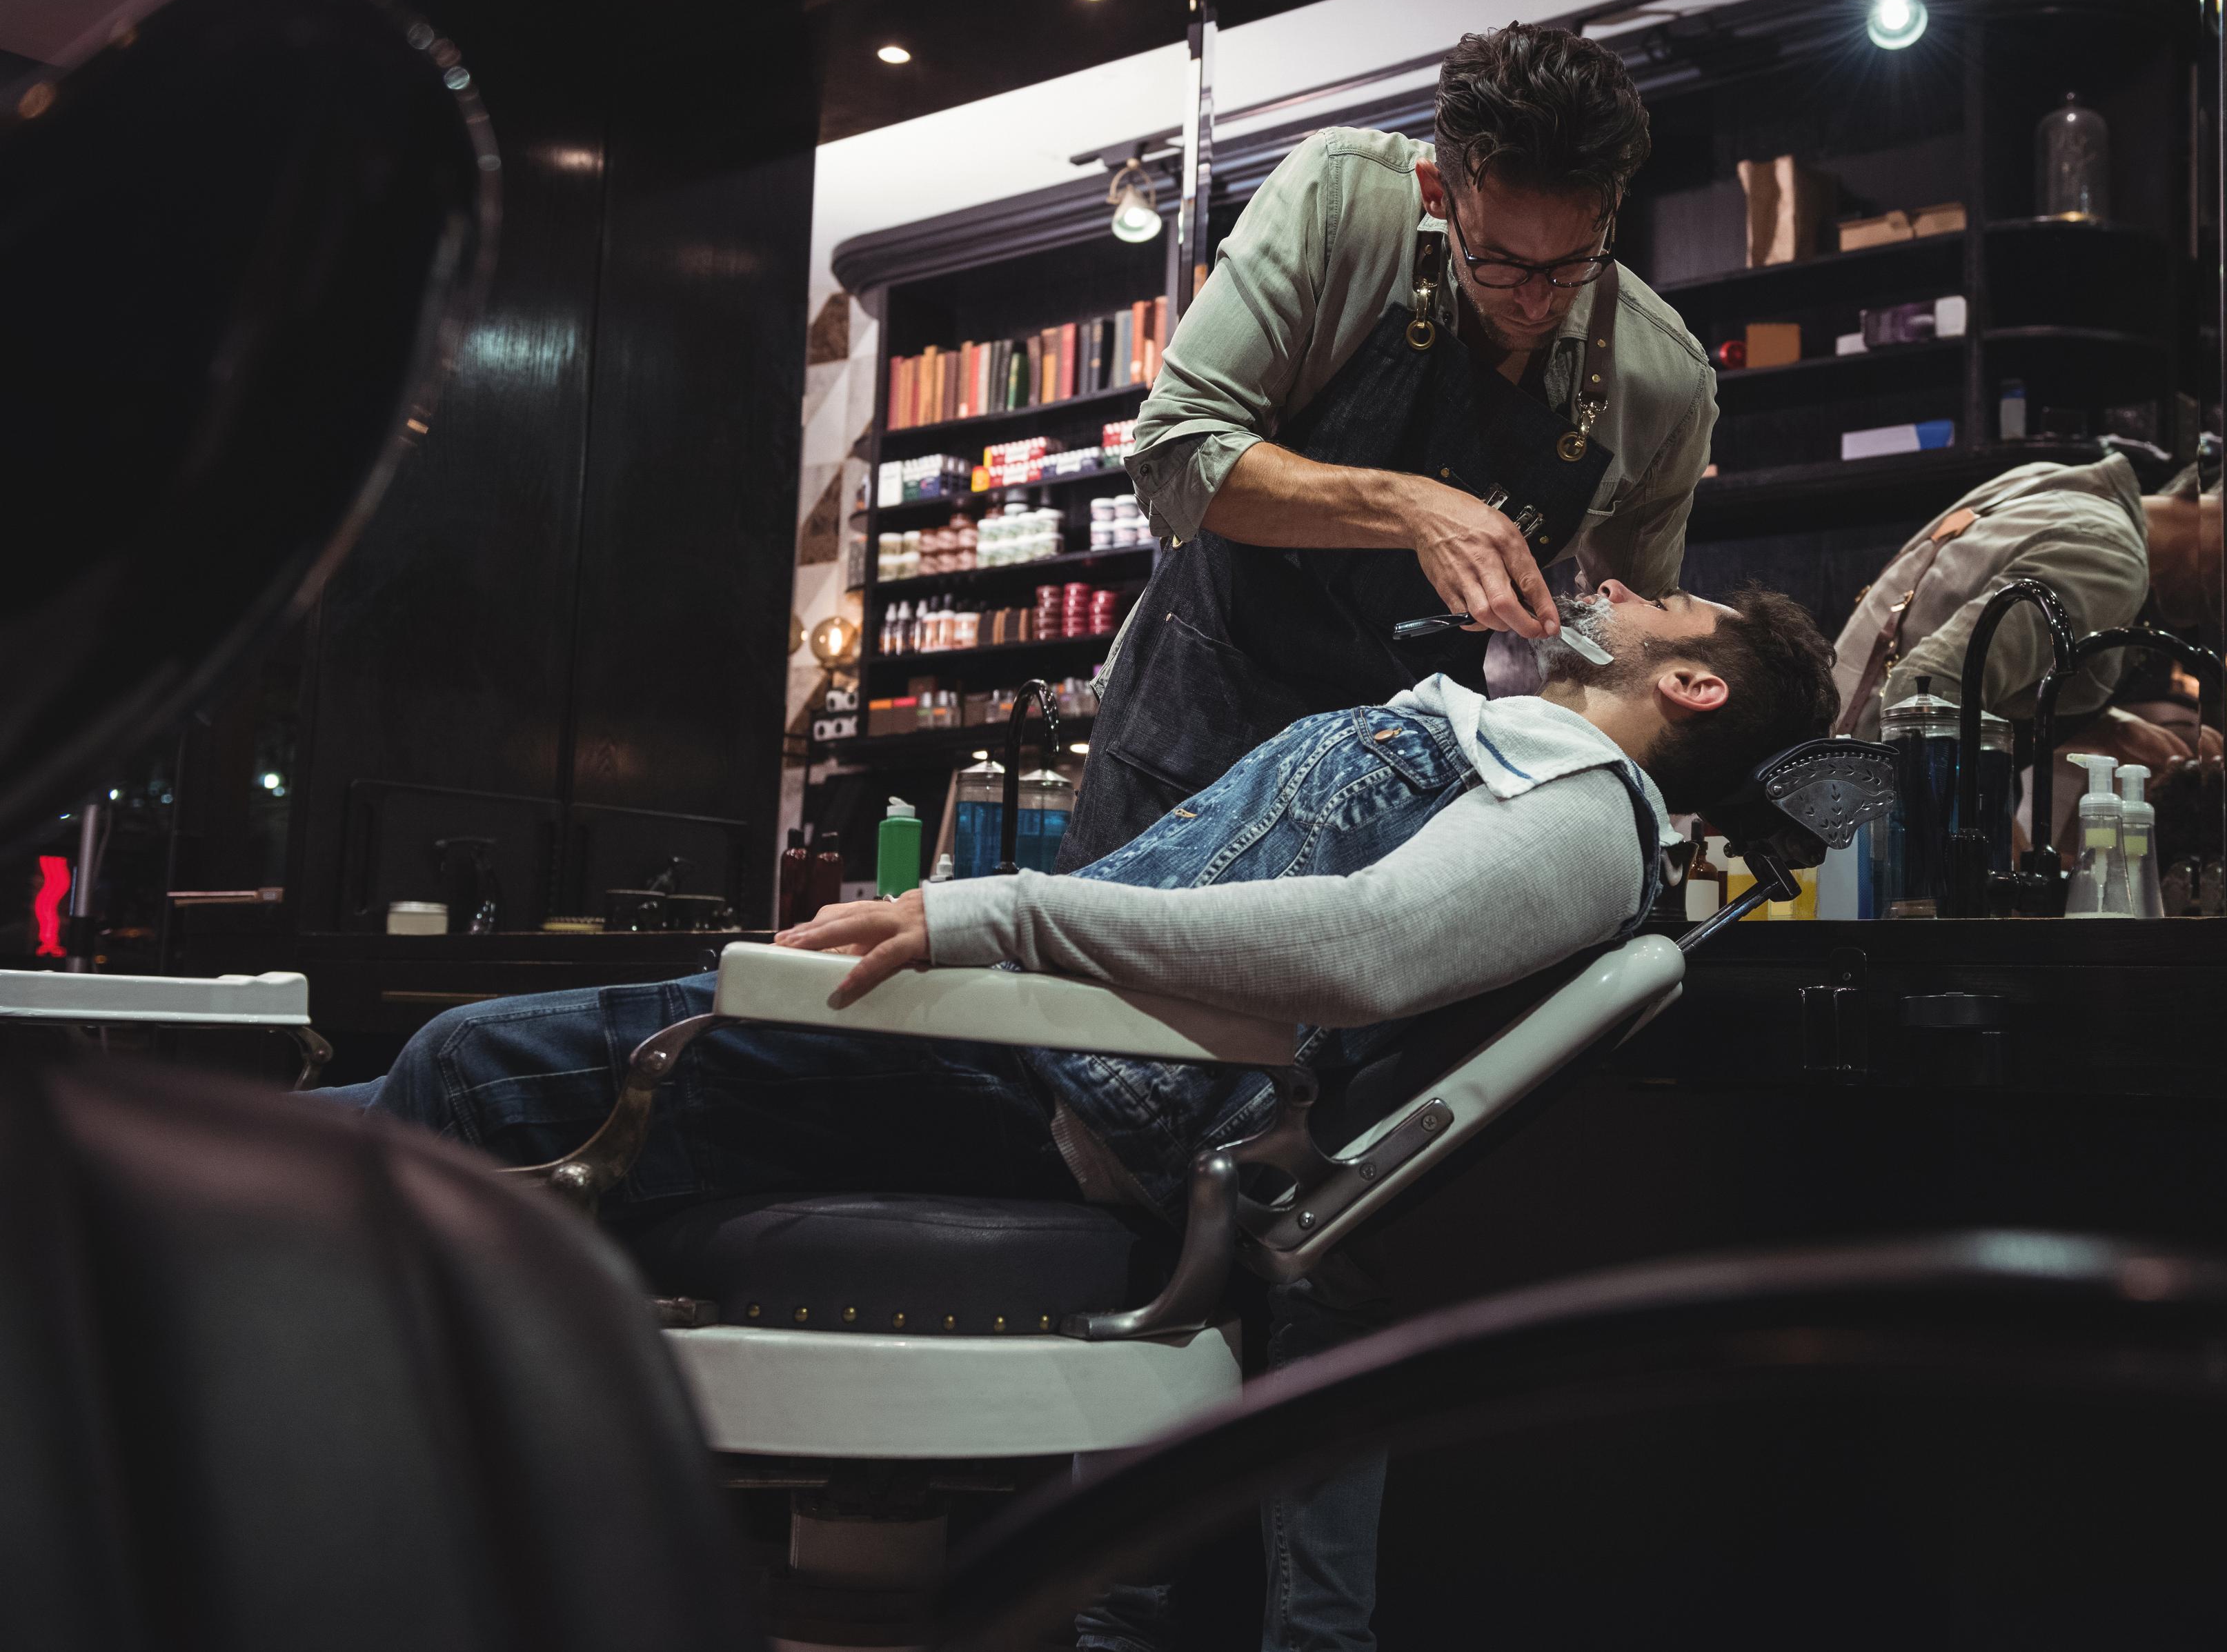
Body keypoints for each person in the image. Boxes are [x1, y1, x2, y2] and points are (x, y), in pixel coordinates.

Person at [320, 578, 1840, 1652]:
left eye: (1663, 601)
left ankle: (248, 1485)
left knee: (473, 1069)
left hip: (1036, 1079)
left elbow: (1356, 950)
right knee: (399, 1093)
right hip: (1014, 1048)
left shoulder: (1583, 816)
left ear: (1691, 686)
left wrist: (999, 915)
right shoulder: (1507, 745)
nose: (1621, 585)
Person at [1063, 23, 1718, 869]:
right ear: (1436, 192)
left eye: (1574, 263)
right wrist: (1412, 507)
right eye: (1500, 262)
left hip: (1403, 769)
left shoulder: (1663, 382)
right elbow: (1173, 453)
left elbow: (1634, 647)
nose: (1536, 300)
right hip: (1198, 710)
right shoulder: (1339, 202)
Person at [1830, 452, 2227, 772]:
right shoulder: (2110, 556)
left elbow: (1966, 667)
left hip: (1827, 774)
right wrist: (1984, 853)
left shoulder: (2051, 483)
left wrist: (2114, 729)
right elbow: (1925, 692)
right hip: (1862, 830)